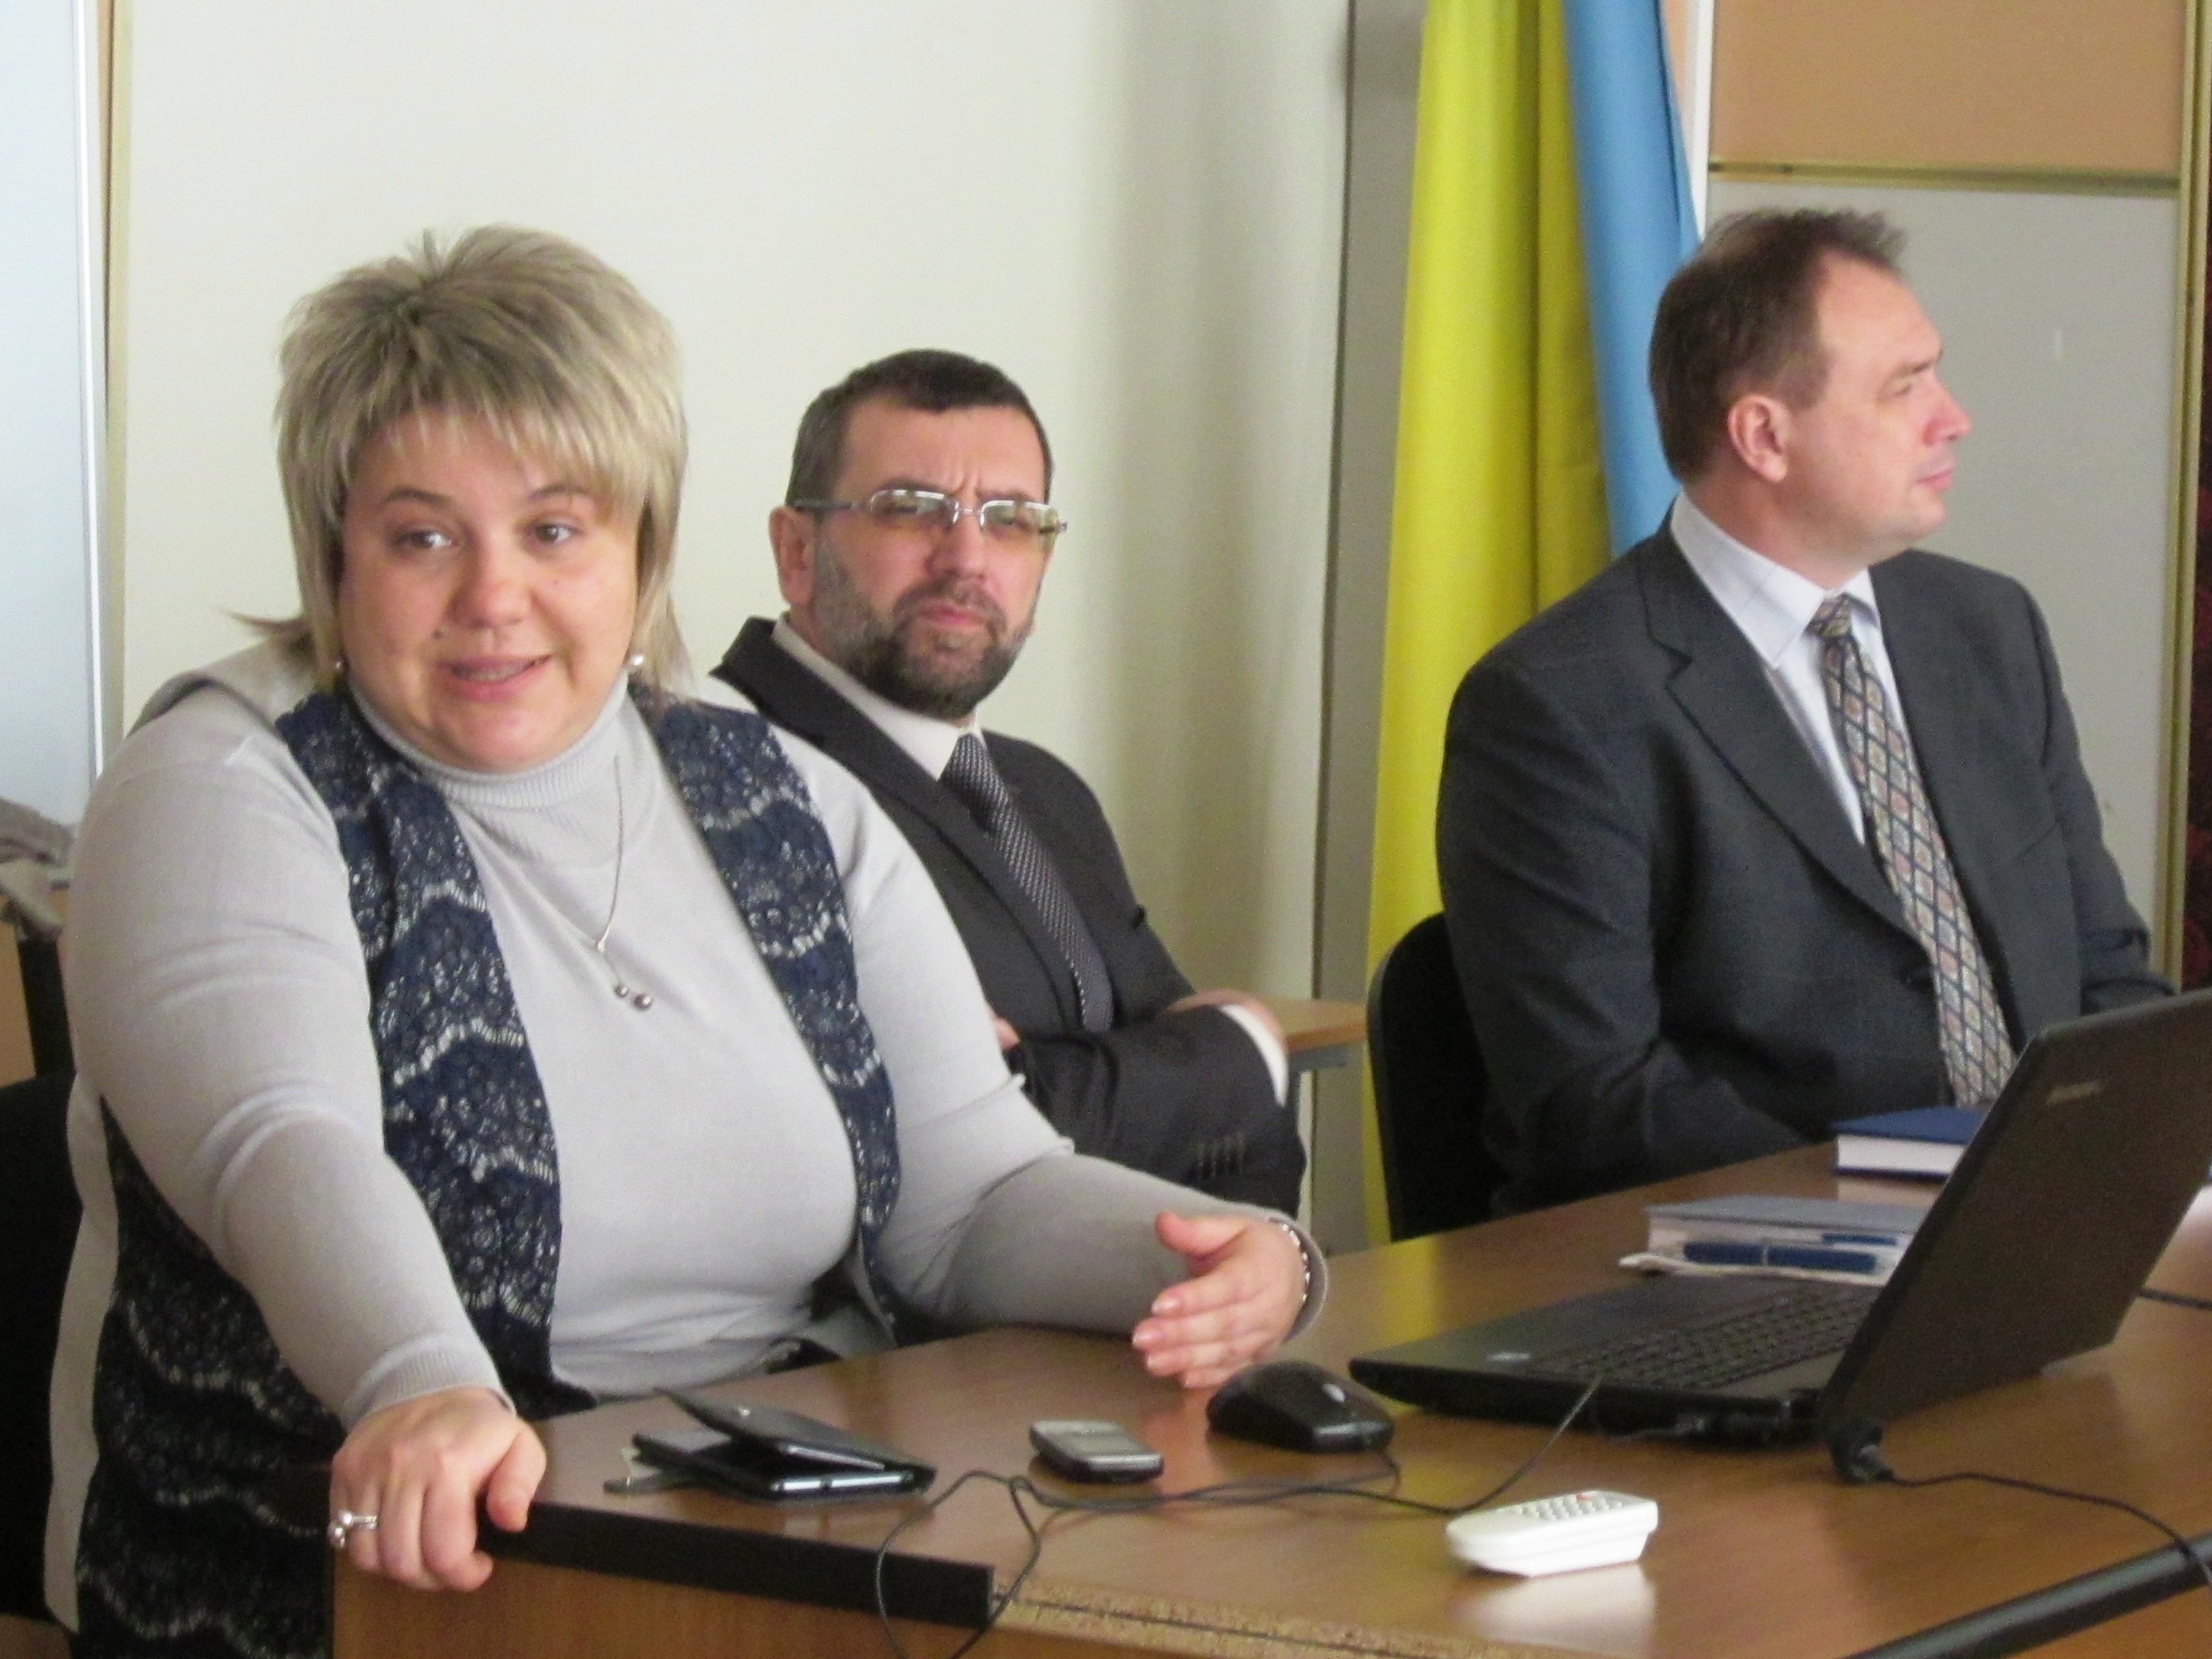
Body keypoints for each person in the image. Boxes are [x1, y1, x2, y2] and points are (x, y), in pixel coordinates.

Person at [46, 230, 1316, 1659]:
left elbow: (970, 1193)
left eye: (554, 530)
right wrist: (419, 1383)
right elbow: (279, 1142)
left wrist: (1209, 1257)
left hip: (782, 1529)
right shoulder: (230, 779)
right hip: (367, 1572)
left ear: (642, 548)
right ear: (333, 555)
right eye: (421, 537)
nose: (492, 597)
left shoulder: (776, 792)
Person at [1437, 208, 2167, 1214]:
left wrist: (2111, 1164)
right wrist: (1915, 1202)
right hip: (1746, 1250)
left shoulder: (1988, 629)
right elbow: (1594, 1101)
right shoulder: (1556, 705)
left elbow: (2106, 972)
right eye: (1903, 387)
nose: (1951, 417)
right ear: (1764, 437)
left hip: (2043, 1221)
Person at [715, 350, 1305, 1211]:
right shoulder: (729, 784)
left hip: (1155, 1281)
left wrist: (1204, 1077)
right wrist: (1234, 1050)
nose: (966, 558)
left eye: (1011, 520)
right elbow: (908, 1155)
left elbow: (1238, 1114)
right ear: (796, 550)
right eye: (911, 508)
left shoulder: (1045, 791)